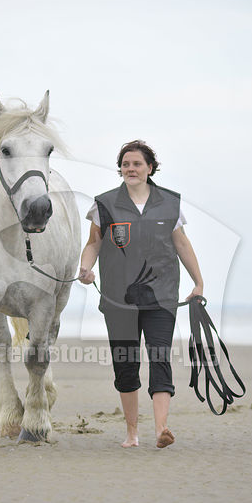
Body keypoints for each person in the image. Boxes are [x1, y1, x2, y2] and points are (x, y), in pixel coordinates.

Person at [78, 140, 204, 449]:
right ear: (120, 169)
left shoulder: (169, 203)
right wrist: (85, 268)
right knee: (126, 361)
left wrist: (198, 283)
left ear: (150, 168)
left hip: (160, 295)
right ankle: (132, 433)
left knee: (160, 356)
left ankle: (162, 428)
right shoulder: (104, 203)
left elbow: (182, 244)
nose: (130, 169)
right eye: (125, 164)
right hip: (118, 297)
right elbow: (94, 242)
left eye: (137, 164)